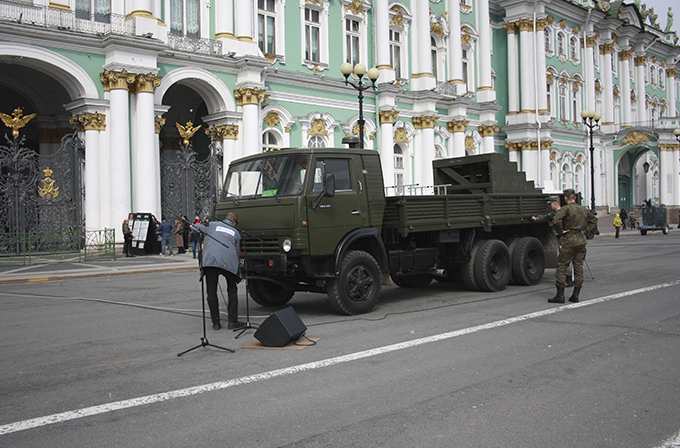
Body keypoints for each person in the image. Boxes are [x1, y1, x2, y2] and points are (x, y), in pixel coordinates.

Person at [191, 213, 245, 331]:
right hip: (228, 262)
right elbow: (236, 252)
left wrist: (202, 238)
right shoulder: (235, 232)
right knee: (232, 289)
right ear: (234, 223)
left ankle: (216, 323)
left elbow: (194, 227)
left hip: (210, 260)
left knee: (211, 291)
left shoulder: (211, 225)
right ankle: (232, 321)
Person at [549, 189, 598, 304]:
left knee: (562, 266)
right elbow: (594, 221)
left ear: (565, 198)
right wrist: (585, 231)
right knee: (578, 267)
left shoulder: (566, 209)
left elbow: (556, 221)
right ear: (574, 197)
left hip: (569, 241)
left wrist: (561, 232)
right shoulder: (583, 209)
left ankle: (560, 295)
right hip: (581, 240)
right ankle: (575, 295)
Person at [531, 195, 574, 287]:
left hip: (566, 238)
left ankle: (569, 279)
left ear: (555, 203)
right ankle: (566, 278)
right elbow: (545, 217)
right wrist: (535, 218)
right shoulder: (553, 214)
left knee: (566, 259)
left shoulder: (564, 213)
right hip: (560, 238)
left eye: (551, 204)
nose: (550, 206)